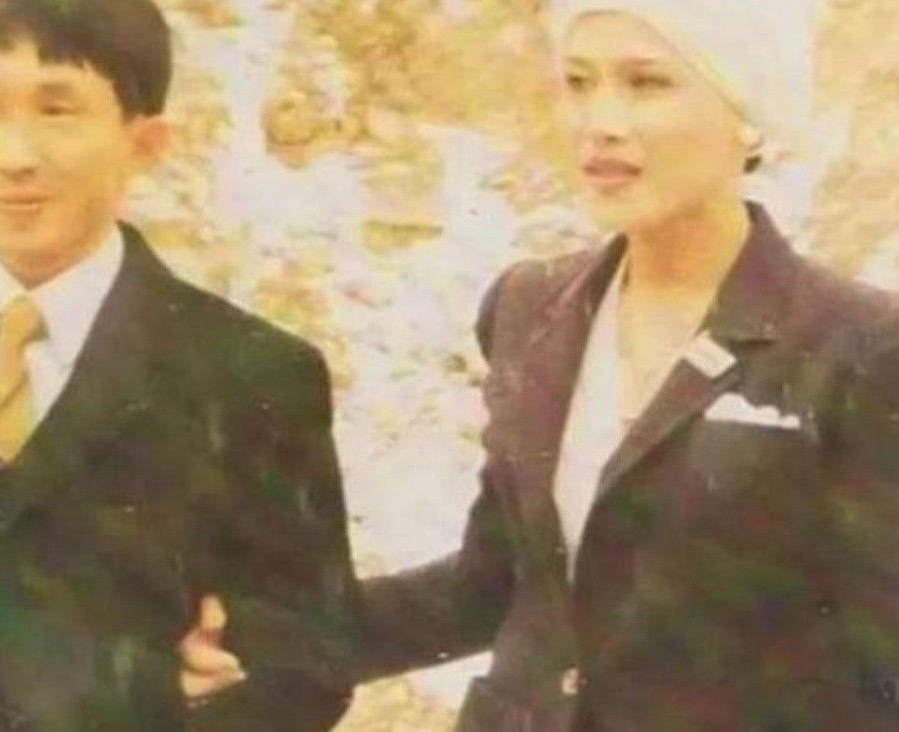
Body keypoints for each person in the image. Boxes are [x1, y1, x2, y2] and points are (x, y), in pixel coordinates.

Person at [181, 1, 899, 730]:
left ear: (748, 112)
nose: (600, 121)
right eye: (579, 83)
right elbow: (493, 586)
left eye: (646, 83)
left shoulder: (863, 346)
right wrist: (255, 639)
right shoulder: (529, 306)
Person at [0, 0, 357, 730]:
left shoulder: (250, 373)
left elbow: (307, 668)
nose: (13, 155)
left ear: (146, 143)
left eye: (56, 110)